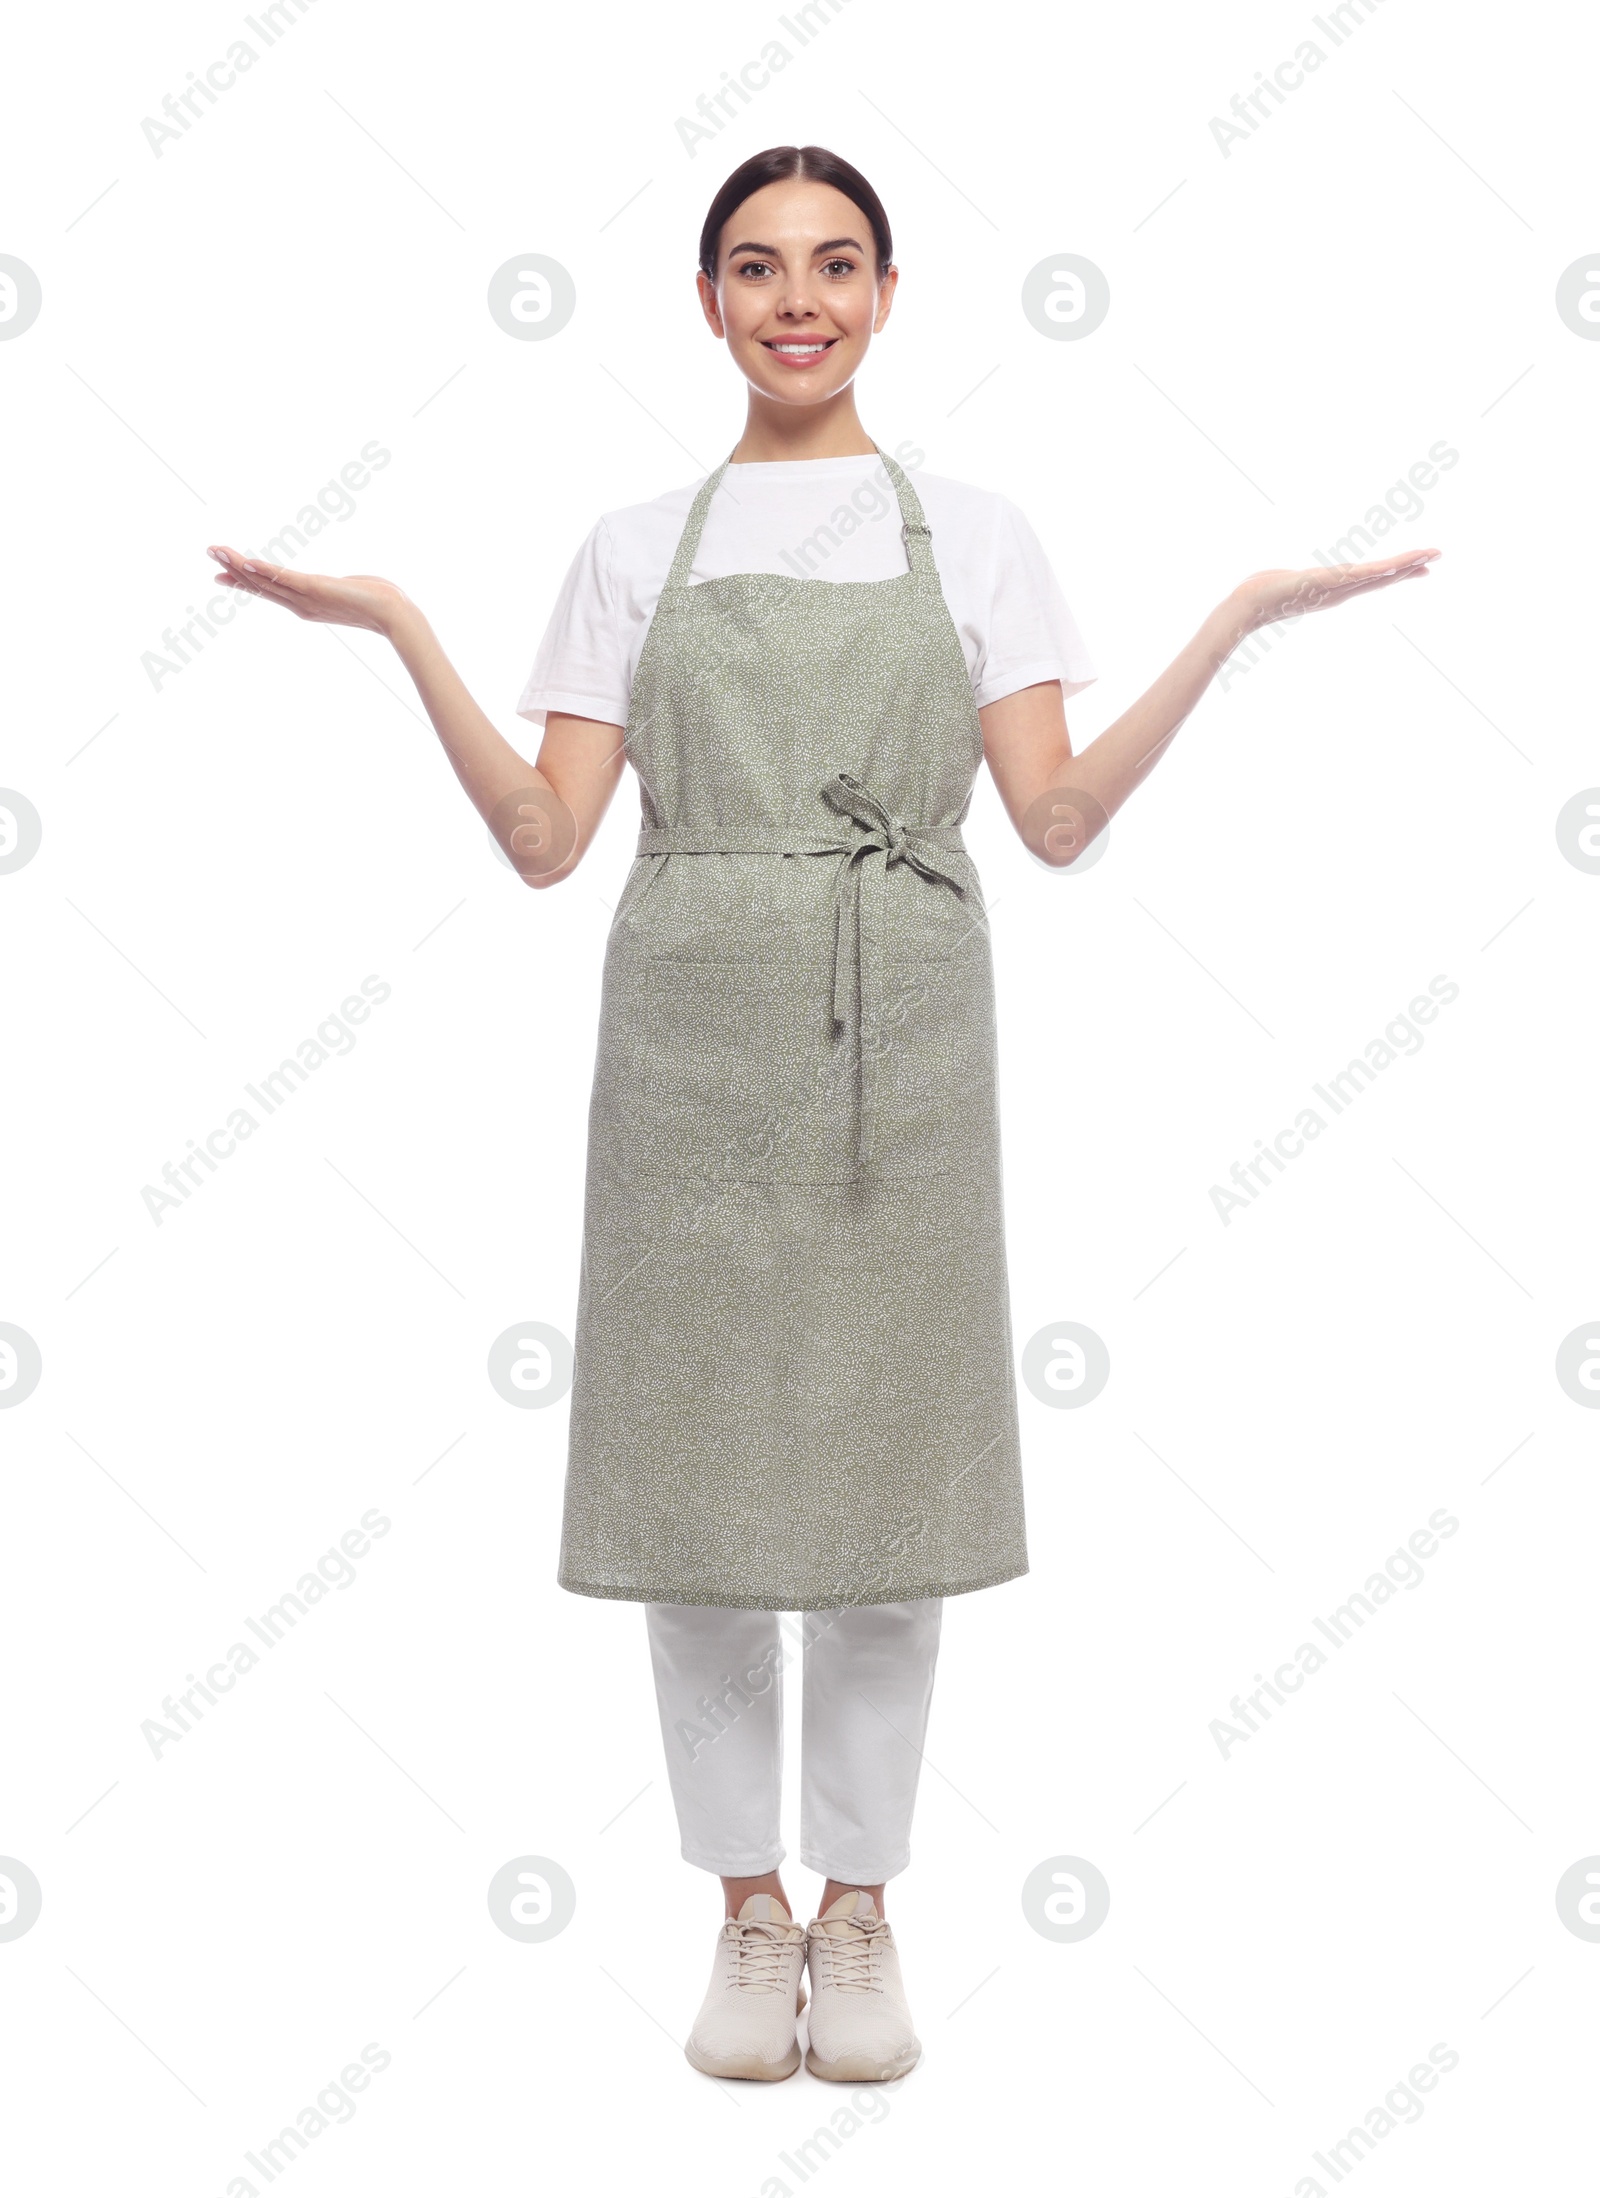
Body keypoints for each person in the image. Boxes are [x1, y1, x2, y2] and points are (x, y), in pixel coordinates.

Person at [204, 142, 1438, 2087]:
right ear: (702, 302)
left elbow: (1046, 821)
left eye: (836, 263)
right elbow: (542, 842)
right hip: (689, 1021)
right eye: (757, 266)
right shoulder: (629, 541)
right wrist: (389, 625)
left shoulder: (980, 528)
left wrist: (1235, 616)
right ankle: (740, 1907)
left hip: (908, 1025)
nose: (798, 297)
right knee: (696, 1493)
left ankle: (860, 1906)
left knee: (881, 1488)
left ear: (885, 293)